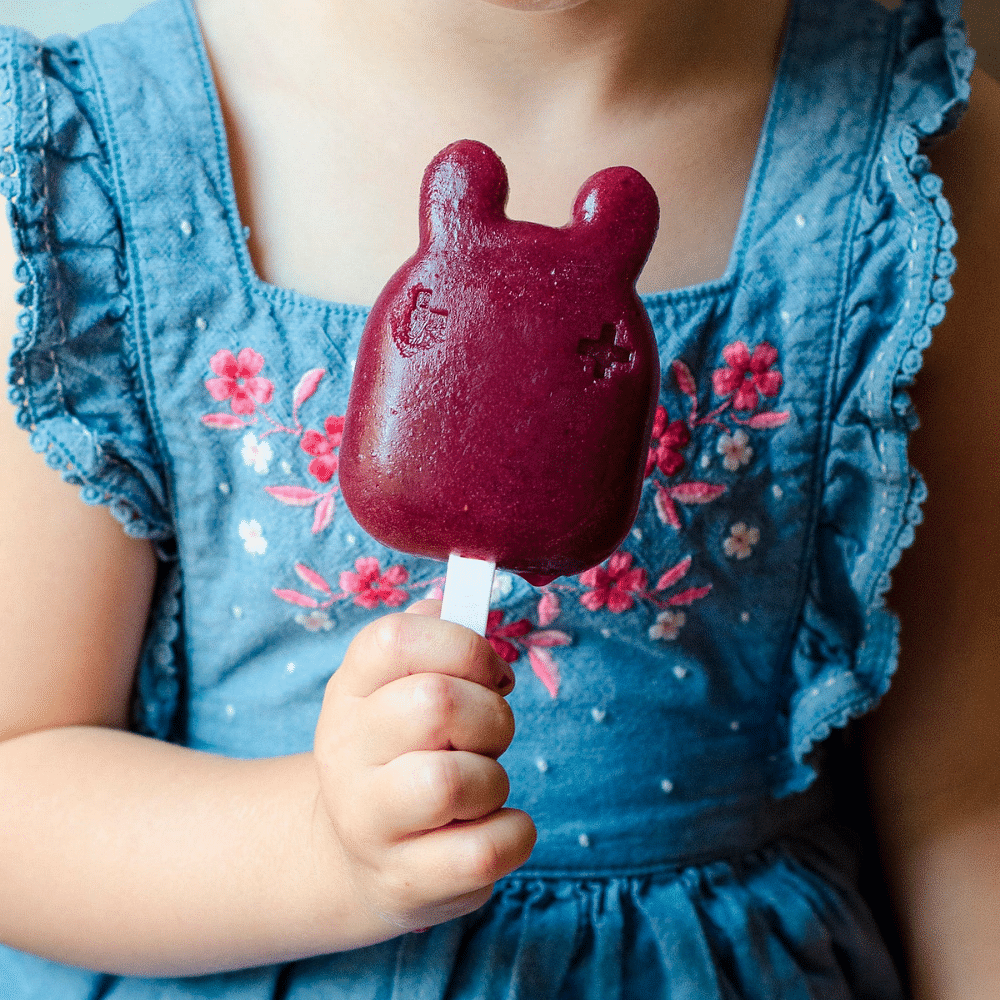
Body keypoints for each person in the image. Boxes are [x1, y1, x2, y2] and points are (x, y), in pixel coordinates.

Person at [0, 0, 996, 995]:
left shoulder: (922, 155)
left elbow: (965, 796)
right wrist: (316, 844)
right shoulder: (97, 168)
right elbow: (22, 782)